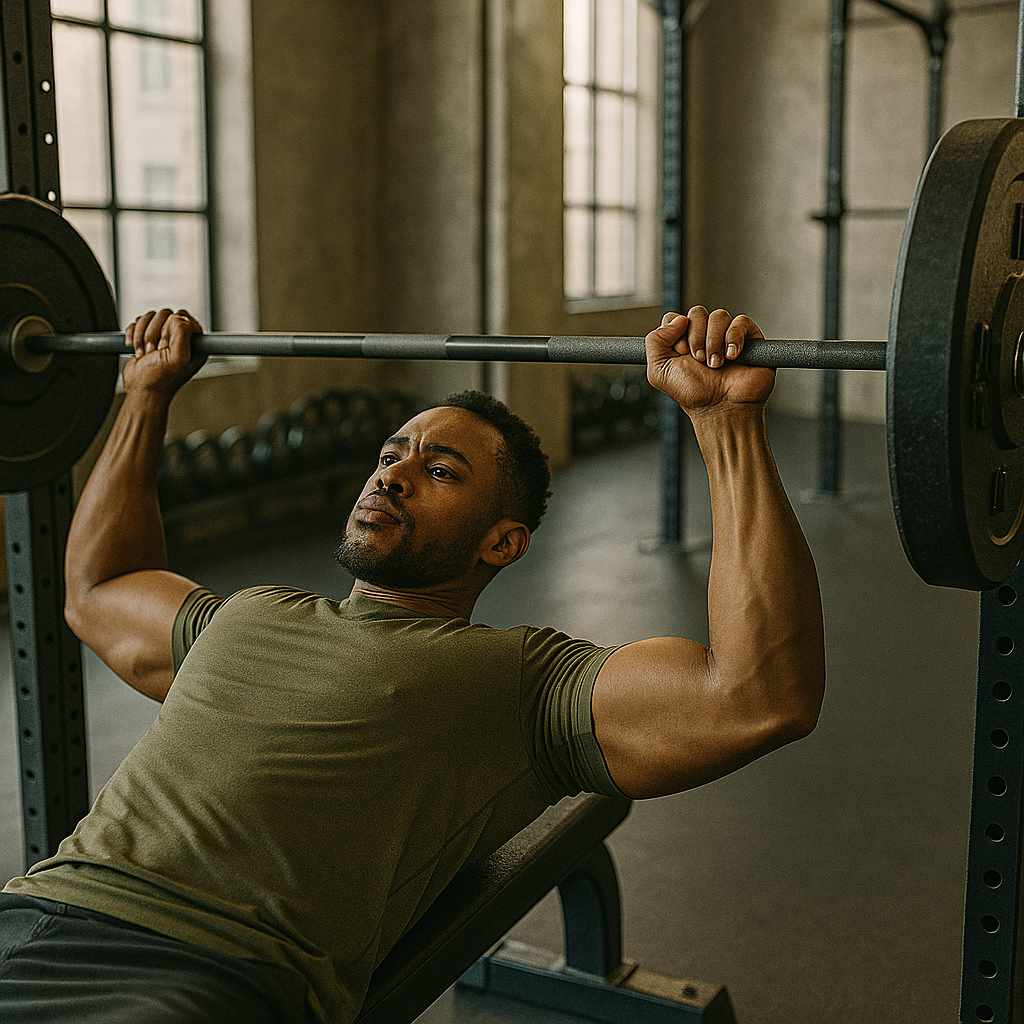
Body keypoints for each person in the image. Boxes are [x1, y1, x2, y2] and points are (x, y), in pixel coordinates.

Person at [0, 306, 825, 1023]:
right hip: (34, 913)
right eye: (393, 453)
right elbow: (98, 588)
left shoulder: (520, 683)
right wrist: (146, 393)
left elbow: (757, 697)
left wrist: (725, 425)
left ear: (502, 542)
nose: (393, 472)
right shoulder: (247, 614)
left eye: (439, 472)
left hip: (200, 976)